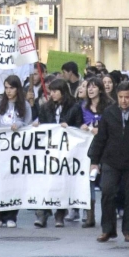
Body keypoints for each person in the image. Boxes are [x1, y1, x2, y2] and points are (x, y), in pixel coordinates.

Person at [87, 81, 129, 243]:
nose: (124, 100)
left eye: (127, 97)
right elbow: (101, 138)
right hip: (111, 160)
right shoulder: (109, 113)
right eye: (120, 97)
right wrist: (94, 160)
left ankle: (128, 229)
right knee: (108, 192)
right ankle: (108, 229)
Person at [32, 78, 83, 228]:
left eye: (55, 91)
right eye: (51, 92)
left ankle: (60, 213)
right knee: (45, 181)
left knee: (62, 182)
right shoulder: (45, 108)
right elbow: (42, 123)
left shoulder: (74, 107)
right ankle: (42, 213)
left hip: (66, 151)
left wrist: (70, 127)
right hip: (48, 150)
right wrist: (37, 125)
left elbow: (79, 126)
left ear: (63, 92)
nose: (52, 94)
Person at [0, 75, 32, 228]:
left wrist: (19, 124)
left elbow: (27, 124)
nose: (8, 91)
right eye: (6, 87)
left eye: (11, 88)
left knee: (14, 182)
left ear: (17, 89)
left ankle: (11, 215)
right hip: (1, 148)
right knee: (0, 182)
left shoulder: (24, 105)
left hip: (16, 150)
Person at [78, 77, 111, 227]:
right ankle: (90, 215)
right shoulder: (82, 107)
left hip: (107, 149)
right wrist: (81, 127)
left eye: (94, 87)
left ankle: (108, 213)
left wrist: (101, 130)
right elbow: (70, 122)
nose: (90, 90)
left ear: (100, 89)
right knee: (88, 181)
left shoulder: (109, 107)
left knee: (107, 183)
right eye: (88, 87)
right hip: (88, 149)